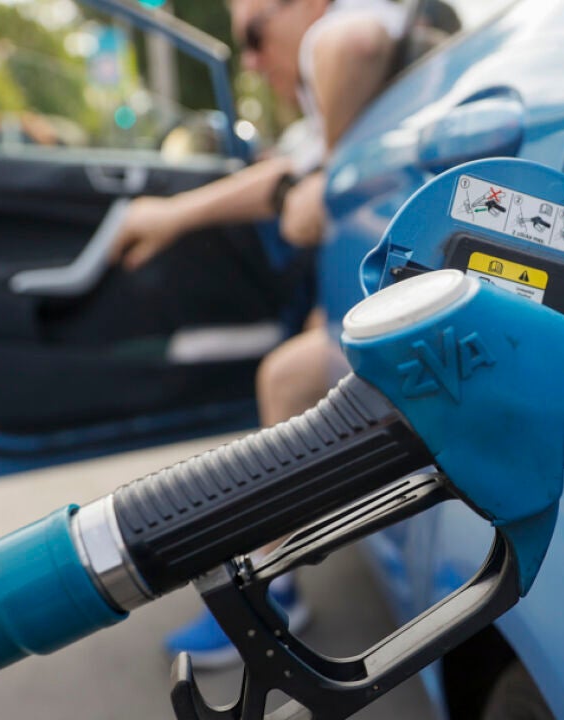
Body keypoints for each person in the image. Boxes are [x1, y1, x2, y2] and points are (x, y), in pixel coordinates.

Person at [110, 0, 405, 668]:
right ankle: (275, 580)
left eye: (253, 32)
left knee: (287, 375)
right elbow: (282, 176)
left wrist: (327, 184)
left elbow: (350, 43)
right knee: (290, 371)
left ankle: (272, 588)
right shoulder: (329, 106)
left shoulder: (349, 30)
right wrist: (173, 216)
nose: (248, 58)